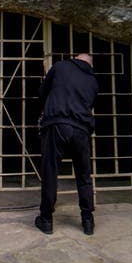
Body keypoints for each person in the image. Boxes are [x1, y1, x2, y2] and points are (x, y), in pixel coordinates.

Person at [35, 53, 99, 235]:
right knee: (84, 175)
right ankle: (88, 221)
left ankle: (46, 219)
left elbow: (42, 92)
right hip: (82, 130)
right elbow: (91, 104)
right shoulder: (93, 81)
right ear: (89, 65)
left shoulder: (61, 66)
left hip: (57, 124)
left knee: (50, 172)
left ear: (76, 58)